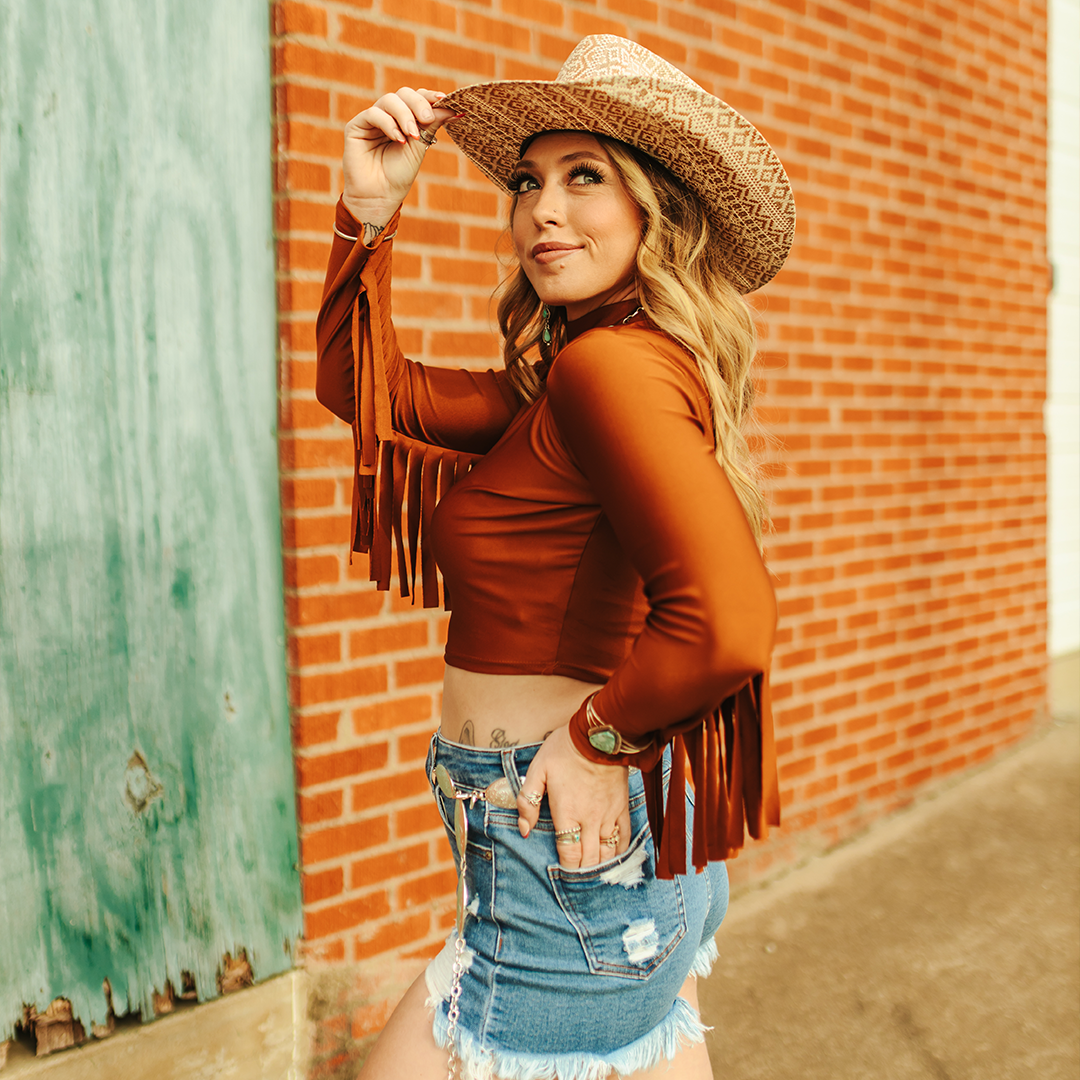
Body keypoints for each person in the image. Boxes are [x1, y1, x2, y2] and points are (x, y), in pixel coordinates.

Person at [315, 34, 794, 1080]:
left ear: (655, 207)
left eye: (587, 178)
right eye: (531, 180)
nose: (544, 209)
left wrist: (592, 742)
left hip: (558, 840)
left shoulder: (608, 375)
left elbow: (730, 620)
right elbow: (370, 396)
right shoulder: (576, 378)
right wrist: (369, 209)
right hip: (609, 848)